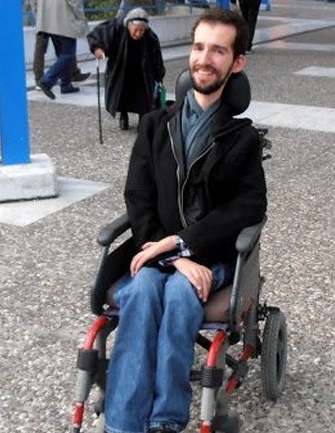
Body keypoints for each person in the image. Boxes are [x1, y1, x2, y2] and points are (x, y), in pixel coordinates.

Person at [104, 8, 266, 433]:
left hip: (212, 255)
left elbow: (249, 206)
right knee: (142, 291)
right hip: (157, 250)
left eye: (218, 51)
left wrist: (186, 244)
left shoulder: (243, 138)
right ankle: (122, 425)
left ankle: (165, 420)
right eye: (199, 47)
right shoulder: (155, 126)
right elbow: (138, 197)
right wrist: (173, 253)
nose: (204, 59)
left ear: (237, 62)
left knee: (179, 294)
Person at [88, 8, 166, 131]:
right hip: (121, 70)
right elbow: (97, 35)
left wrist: (159, 75)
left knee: (144, 97)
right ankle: (123, 116)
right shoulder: (117, 27)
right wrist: (97, 48)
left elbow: (157, 58)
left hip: (142, 72)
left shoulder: (150, 37)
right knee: (122, 94)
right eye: (135, 30)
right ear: (129, 26)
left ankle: (143, 120)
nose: (138, 34)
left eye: (141, 31)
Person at [36, 0, 89, 100]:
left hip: (49, 22)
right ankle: (46, 81)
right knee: (68, 55)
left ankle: (66, 85)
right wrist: (82, 18)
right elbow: (75, 2)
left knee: (61, 53)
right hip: (65, 21)